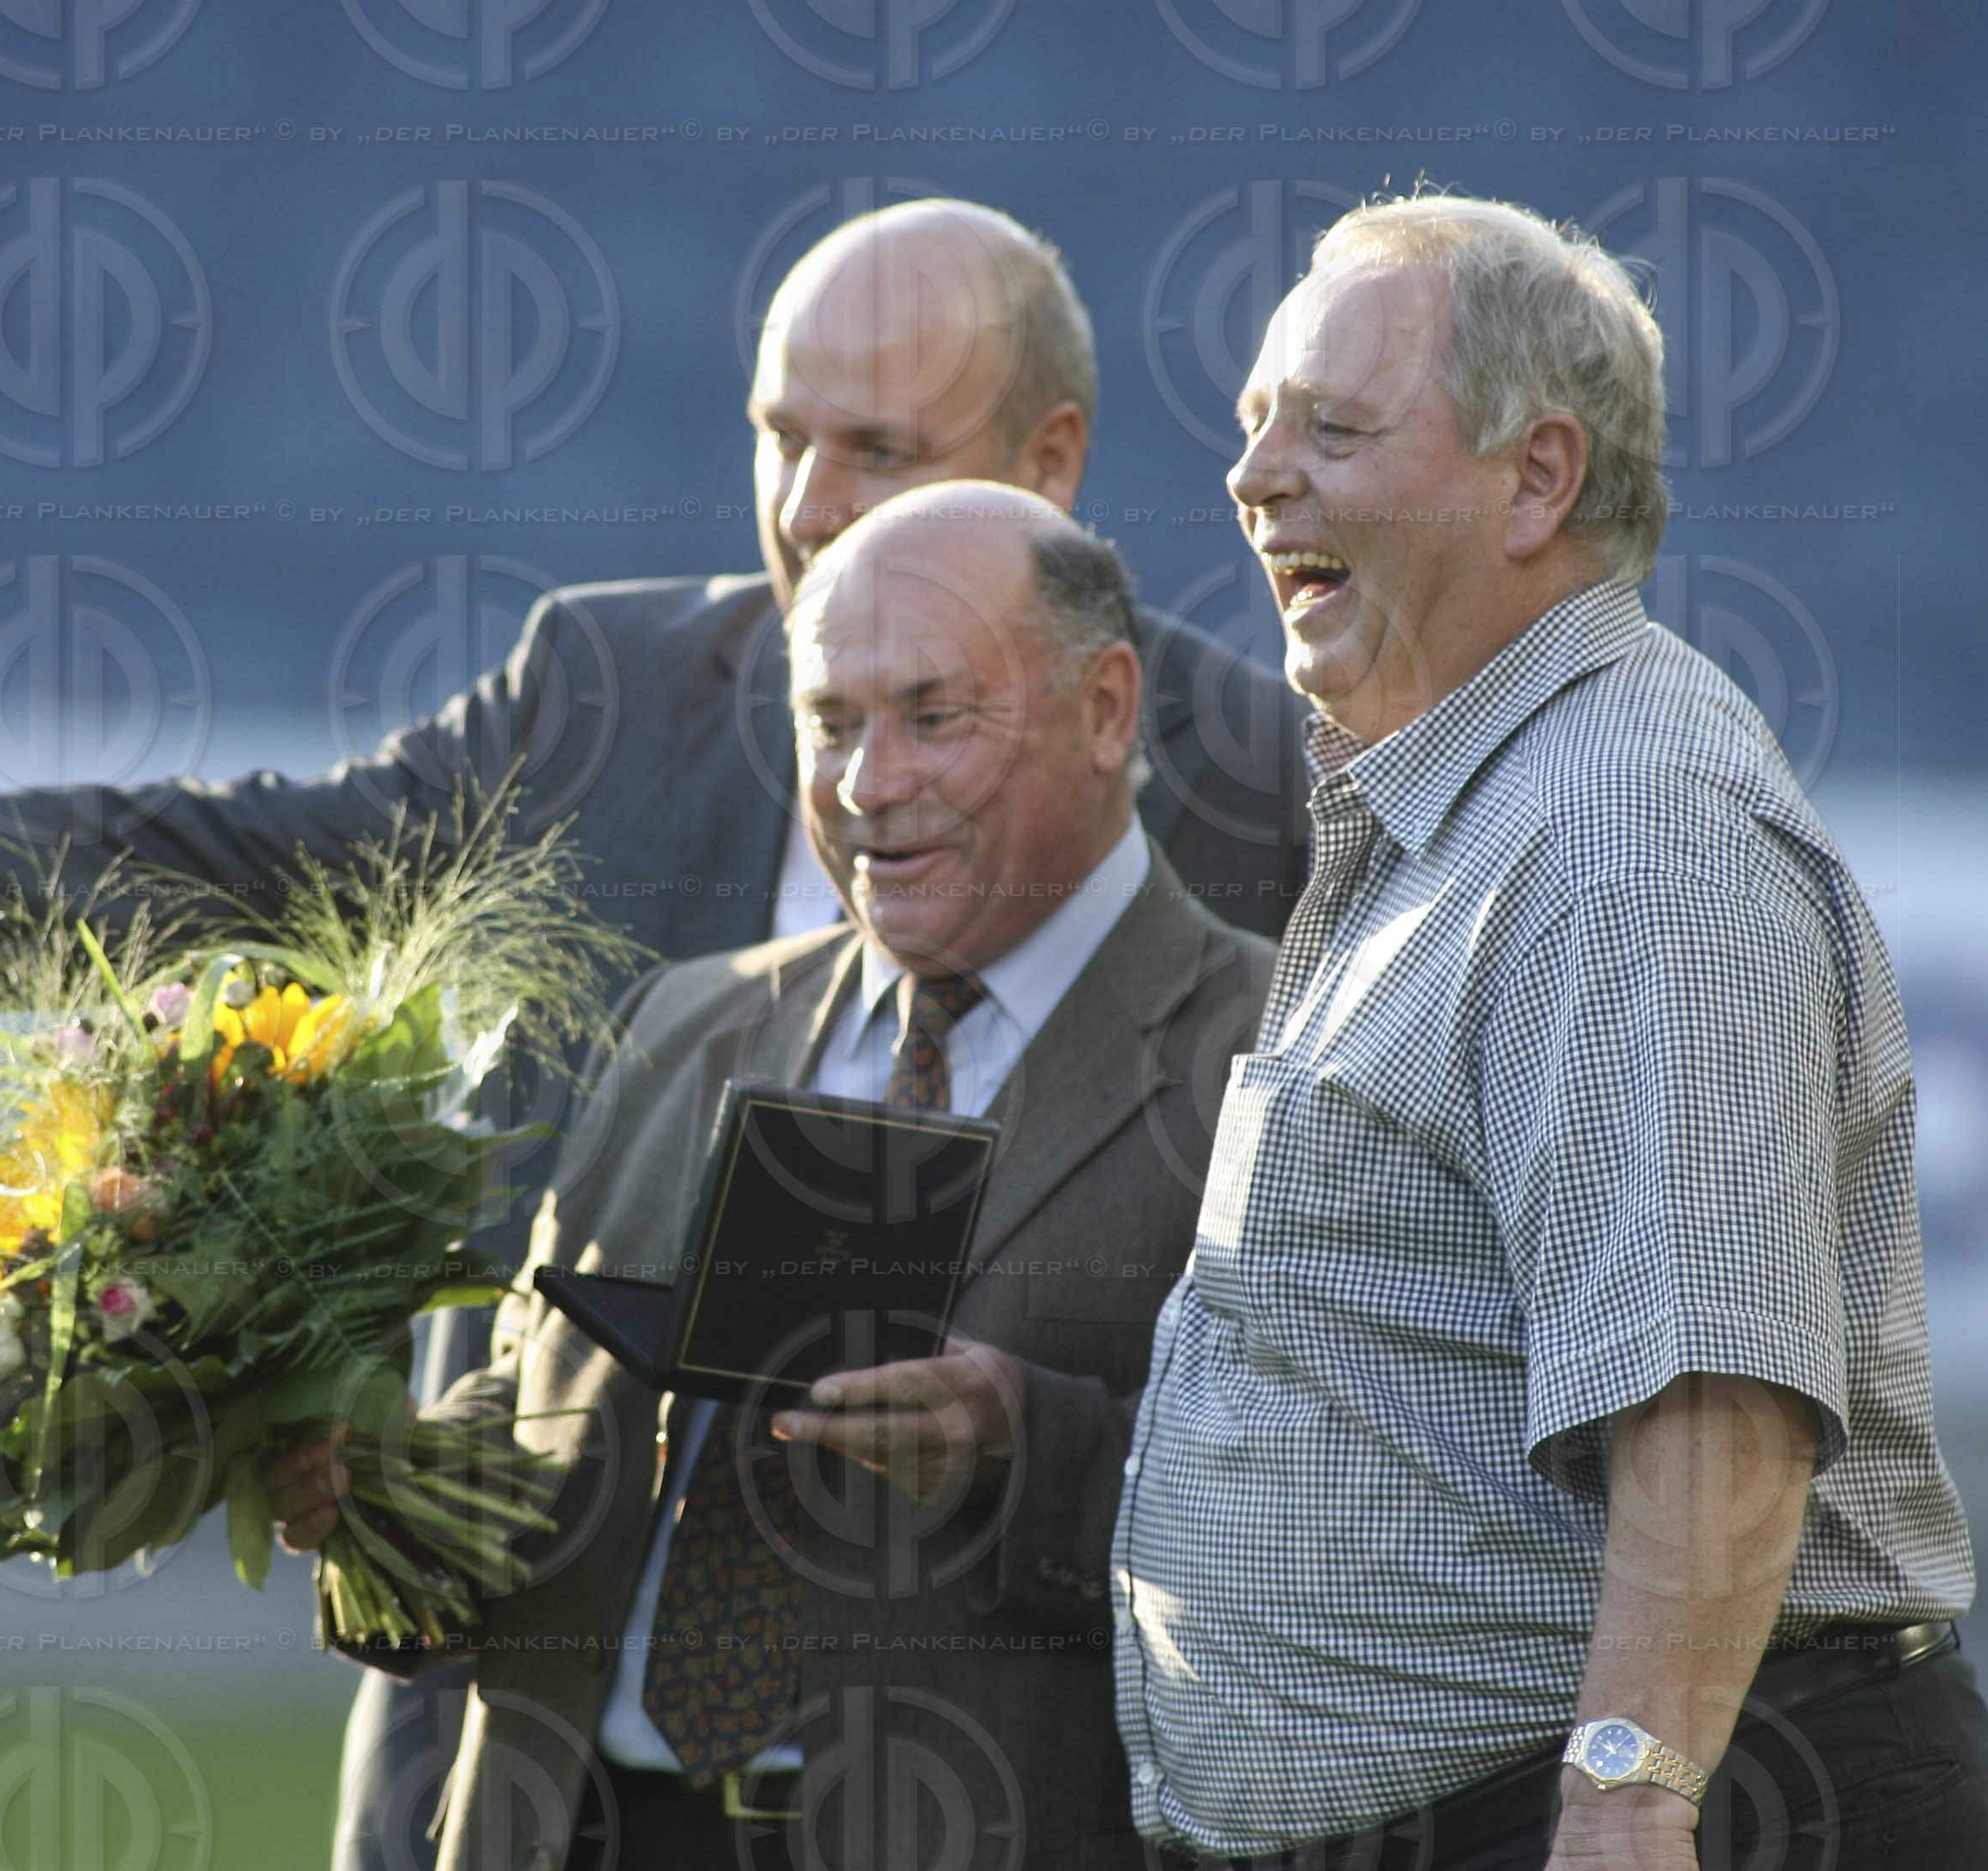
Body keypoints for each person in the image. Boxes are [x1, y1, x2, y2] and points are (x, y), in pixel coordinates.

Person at [0, 199, 1307, 1871]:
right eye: (773, 437)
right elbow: (204, 868)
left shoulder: (1248, 805)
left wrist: (1041, 1448)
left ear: (1046, 464)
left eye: (874, 446)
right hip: (542, 1770)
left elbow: (1354, 1421)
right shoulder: (609, 703)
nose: (806, 510)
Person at [1108, 193, 1988, 1869]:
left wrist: (1624, 1792)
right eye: (1250, 425)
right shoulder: (1486, 798)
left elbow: (1709, 1387)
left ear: (1536, 478)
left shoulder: (1622, 827)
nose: (1251, 478)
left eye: (1329, 426)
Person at [272, 484, 1273, 1871]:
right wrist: (380, 1493)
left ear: (1105, 710)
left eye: (933, 716)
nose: (867, 785)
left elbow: (1343, 1519)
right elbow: (542, 1429)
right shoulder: (682, 1023)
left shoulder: (1279, 1063)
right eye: (829, 723)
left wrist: (1021, 1445)